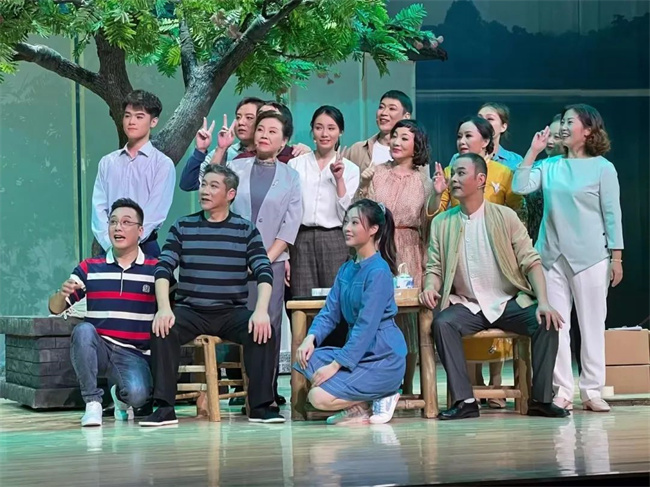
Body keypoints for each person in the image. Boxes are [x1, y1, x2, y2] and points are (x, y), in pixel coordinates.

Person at [420, 153, 569, 420]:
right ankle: (465, 401)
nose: (454, 179)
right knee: (443, 324)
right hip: (468, 305)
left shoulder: (505, 216)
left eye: (461, 173)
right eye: (453, 174)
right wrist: (431, 286)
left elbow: (531, 261)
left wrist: (544, 302)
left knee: (547, 321)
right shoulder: (443, 223)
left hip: (507, 301)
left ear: (480, 180)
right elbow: (434, 268)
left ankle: (541, 399)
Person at [140, 164, 283, 426]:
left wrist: (261, 310)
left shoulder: (245, 230)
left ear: (230, 194)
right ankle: (164, 407)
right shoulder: (183, 226)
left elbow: (263, 271)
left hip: (231, 312)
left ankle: (261, 406)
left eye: (213, 186)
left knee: (263, 329)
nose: (205, 191)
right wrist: (164, 308)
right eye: (203, 185)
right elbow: (163, 268)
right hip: (190, 310)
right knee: (162, 329)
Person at [513, 104, 624, 413]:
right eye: (562, 121)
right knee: (556, 326)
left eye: (569, 121)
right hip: (551, 256)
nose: (563, 126)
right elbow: (519, 186)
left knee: (591, 325)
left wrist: (616, 258)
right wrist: (534, 151)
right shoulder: (550, 166)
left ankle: (592, 390)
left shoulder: (603, 168)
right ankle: (562, 390)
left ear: (587, 130)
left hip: (591, 257)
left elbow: (612, 215)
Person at [429, 115, 524, 407]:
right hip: (462, 250)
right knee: (455, 315)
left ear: (486, 141)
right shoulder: (450, 172)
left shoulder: (503, 172)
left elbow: (517, 211)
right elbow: (438, 213)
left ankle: (501, 386)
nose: (462, 141)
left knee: (508, 307)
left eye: (468, 136)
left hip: (495, 256)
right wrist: (437, 193)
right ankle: (469, 391)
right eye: (459, 136)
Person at [294, 199, 407, 425]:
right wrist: (310, 338)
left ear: (373, 229)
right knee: (307, 358)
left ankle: (382, 395)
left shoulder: (379, 271)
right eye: (346, 222)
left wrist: (335, 366)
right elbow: (330, 312)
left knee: (317, 396)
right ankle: (361, 406)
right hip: (358, 354)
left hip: (382, 357)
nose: (347, 228)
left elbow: (366, 328)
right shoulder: (347, 268)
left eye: (355, 223)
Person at [49, 198, 156, 427]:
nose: (118, 228)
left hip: (134, 353)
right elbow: (56, 308)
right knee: (83, 330)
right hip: (100, 346)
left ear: (140, 231)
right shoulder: (90, 266)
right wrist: (61, 293)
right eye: (113, 222)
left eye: (126, 222)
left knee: (138, 396)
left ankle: (119, 395)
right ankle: (92, 404)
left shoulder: (155, 269)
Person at [356, 119, 432, 395]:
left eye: (404, 138)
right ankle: (378, 383)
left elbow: (428, 219)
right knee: (376, 315)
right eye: (394, 136)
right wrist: (364, 184)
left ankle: (408, 385)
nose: (396, 142)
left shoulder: (424, 179)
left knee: (408, 322)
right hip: (379, 248)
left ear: (417, 145)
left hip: (410, 249)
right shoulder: (377, 172)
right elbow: (360, 211)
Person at [91, 90, 176, 258]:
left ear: (153, 122)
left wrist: (128, 244)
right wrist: (109, 244)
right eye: (127, 115)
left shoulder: (163, 164)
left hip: (145, 247)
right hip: (108, 247)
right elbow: (98, 208)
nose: (131, 122)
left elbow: (155, 213)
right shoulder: (107, 162)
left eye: (139, 116)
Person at [288, 106, 360, 298]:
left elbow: (347, 213)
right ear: (312, 130)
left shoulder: (351, 169)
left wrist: (339, 179)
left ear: (340, 131)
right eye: (319, 127)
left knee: (336, 299)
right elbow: (289, 209)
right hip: (301, 239)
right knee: (302, 298)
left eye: (331, 128)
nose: (325, 134)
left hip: (335, 239)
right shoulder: (296, 164)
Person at [180, 101, 310, 191]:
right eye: (238, 117)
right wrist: (205, 150)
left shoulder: (293, 157)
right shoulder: (233, 156)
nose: (241, 122)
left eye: (249, 117)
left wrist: (309, 154)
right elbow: (194, 185)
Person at [344, 90, 412, 186]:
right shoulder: (357, 150)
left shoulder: (415, 153)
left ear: (406, 117)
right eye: (381, 107)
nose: (384, 113)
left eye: (392, 109)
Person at [448, 103, 523, 171]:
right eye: (479, 118)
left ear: (503, 127)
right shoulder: (458, 157)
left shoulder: (515, 160)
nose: (483, 122)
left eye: (490, 119)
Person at [525, 114, 563, 244]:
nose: (550, 141)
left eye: (557, 137)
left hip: (561, 241)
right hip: (533, 240)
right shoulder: (535, 167)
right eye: (548, 135)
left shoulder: (575, 171)